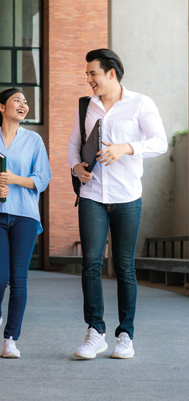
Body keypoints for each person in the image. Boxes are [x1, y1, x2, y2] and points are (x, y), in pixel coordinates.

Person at [68, 48, 167, 360]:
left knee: (124, 267)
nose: (89, 80)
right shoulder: (86, 106)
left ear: (111, 73)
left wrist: (127, 147)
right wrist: (75, 168)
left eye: (92, 73)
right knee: (91, 264)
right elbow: (73, 144)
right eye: (87, 74)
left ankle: (125, 335)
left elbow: (159, 142)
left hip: (127, 198)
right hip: (92, 196)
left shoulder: (140, 103)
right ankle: (95, 332)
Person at [0, 88, 51, 358]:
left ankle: (11, 339)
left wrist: (13, 178)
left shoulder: (34, 140)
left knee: (19, 279)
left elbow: (42, 179)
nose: (23, 104)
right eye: (17, 100)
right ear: (1, 107)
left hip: (26, 217)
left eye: (26, 102)